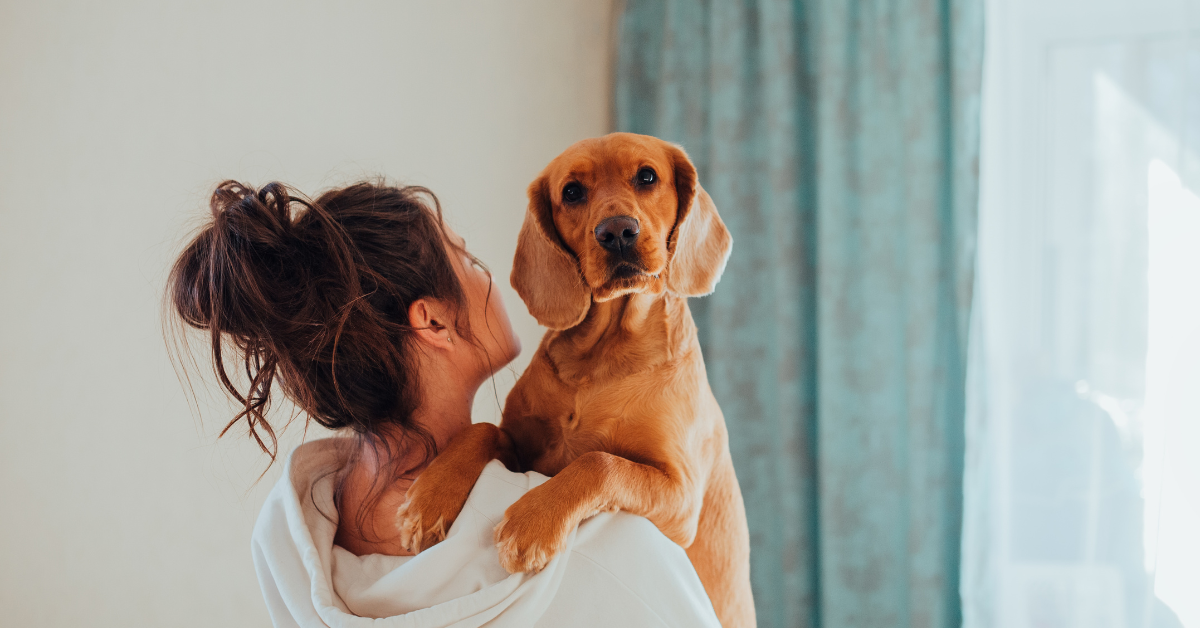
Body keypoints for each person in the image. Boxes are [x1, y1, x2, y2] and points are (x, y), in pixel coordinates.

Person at [167, 180, 721, 627]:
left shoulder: (286, 544)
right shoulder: (598, 545)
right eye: (471, 259)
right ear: (432, 320)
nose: (493, 277)